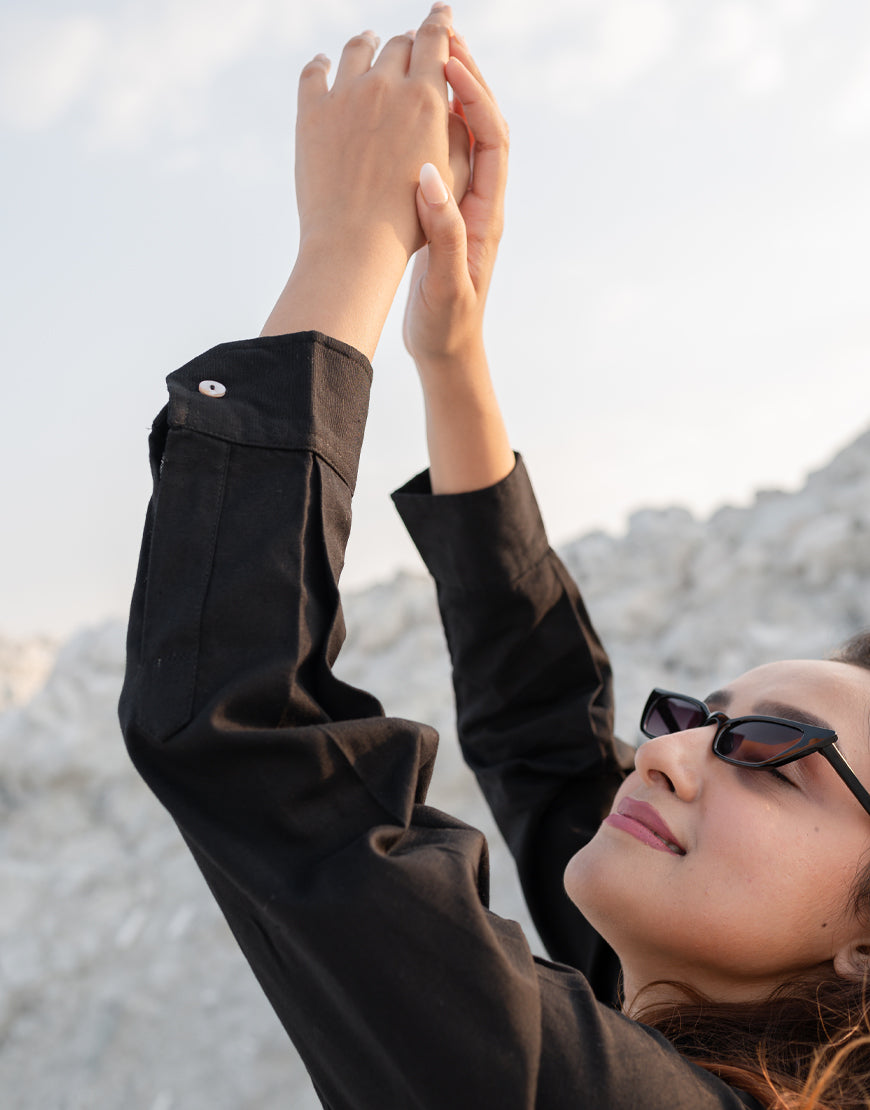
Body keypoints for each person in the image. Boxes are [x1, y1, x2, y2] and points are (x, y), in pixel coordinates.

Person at [119, 5, 870, 1107]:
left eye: (767, 750)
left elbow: (244, 735)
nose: (665, 756)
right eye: (692, 717)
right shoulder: (689, 1022)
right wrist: (452, 349)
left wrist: (349, 249)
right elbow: (551, 746)